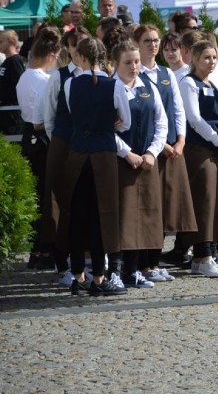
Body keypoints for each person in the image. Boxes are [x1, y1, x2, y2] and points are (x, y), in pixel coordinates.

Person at [59, 37, 131, 295]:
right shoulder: (114, 86)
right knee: (104, 215)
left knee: (77, 216)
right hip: (102, 154)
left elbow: (72, 114)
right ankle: (99, 277)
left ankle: (78, 274)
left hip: (78, 154)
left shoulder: (69, 84)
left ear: (80, 56)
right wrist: (110, 124)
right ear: (103, 57)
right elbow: (126, 123)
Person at [133, 25, 195, 281]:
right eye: (147, 40)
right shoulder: (134, 74)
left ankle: (155, 260)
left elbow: (178, 110)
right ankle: (143, 263)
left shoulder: (166, 72)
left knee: (166, 208)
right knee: (148, 208)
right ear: (137, 43)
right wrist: (164, 145)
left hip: (172, 151)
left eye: (156, 40)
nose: (153, 45)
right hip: (150, 151)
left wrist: (180, 140)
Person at [111, 40, 167, 288]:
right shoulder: (110, 88)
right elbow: (104, 128)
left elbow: (161, 122)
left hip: (145, 162)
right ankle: (114, 270)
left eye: (136, 62)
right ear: (115, 64)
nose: (134, 67)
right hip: (120, 162)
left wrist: (153, 152)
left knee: (142, 217)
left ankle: (132, 271)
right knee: (121, 217)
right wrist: (126, 153)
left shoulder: (148, 86)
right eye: (128, 63)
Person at [180, 41, 218, 277]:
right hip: (199, 148)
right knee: (204, 201)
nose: (211, 62)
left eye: (214, 58)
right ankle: (202, 254)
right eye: (206, 58)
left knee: (212, 200)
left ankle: (207, 252)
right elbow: (194, 118)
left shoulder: (211, 83)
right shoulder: (189, 83)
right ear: (194, 59)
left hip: (216, 149)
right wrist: (216, 140)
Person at [43, 27, 90, 282]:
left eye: (84, 43)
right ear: (68, 49)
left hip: (88, 149)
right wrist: (61, 141)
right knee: (59, 205)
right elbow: (48, 116)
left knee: (85, 204)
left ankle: (86, 261)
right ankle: (63, 265)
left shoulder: (99, 76)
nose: (79, 48)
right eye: (75, 44)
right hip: (63, 145)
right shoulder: (58, 77)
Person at [16, 27, 61, 269]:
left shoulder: (26, 75)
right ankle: (45, 250)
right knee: (46, 197)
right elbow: (40, 119)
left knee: (39, 196)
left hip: (30, 138)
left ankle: (38, 250)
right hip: (42, 138)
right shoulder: (43, 79)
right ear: (53, 54)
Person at [0, 30, 25, 133]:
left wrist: (3, 98)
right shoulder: (7, 61)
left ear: (10, 41)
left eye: (1, 41)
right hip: (6, 111)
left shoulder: (15, 61)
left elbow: (19, 86)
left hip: (12, 112)